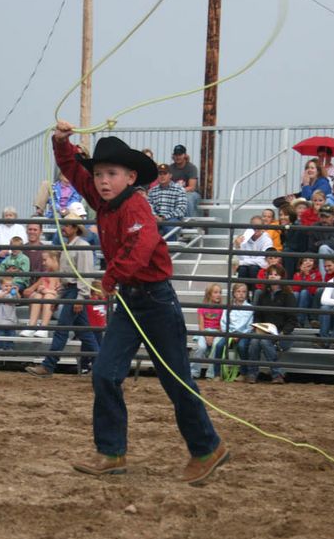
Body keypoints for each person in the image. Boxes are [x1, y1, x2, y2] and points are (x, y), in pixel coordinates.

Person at [50, 121, 227, 484]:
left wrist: (109, 280)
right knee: (104, 373)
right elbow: (72, 168)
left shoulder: (137, 208)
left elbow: (142, 249)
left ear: (130, 177)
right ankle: (112, 452)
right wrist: (60, 142)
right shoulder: (104, 198)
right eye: (98, 173)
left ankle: (207, 448)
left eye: (110, 173)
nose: (101, 180)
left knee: (175, 380)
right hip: (132, 301)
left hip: (155, 301)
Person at [26, 213, 100, 367]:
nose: (63, 228)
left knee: (63, 328)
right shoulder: (72, 246)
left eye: (66, 225)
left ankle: (49, 365)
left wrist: (80, 297)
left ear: (74, 228)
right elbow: (69, 277)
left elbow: (85, 275)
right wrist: (60, 297)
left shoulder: (81, 247)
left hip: (75, 291)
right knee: (84, 332)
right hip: (71, 290)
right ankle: (101, 364)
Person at [249, 264, 297, 384]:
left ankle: (277, 374)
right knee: (255, 341)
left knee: (264, 341)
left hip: (283, 334)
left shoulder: (289, 296)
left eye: (276, 274)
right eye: (270, 274)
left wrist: (283, 332)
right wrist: (258, 327)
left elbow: (292, 319)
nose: (273, 277)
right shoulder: (262, 295)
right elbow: (258, 315)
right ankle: (252, 374)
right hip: (265, 332)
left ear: (281, 277)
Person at [213, 283, 253, 380]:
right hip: (229, 333)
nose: (241, 294)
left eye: (244, 292)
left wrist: (240, 334)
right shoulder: (229, 307)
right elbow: (223, 322)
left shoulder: (250, 308)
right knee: (219, 346)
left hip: (244, 334)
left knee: (242, 346)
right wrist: (230, 333)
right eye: (238, 291)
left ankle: (243, 373)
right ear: (234, 293)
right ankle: (217, 374)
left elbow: (250, 326)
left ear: (247, 294)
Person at [19, 250, 61, 338]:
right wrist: (40, 290)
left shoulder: (61, 274)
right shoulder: (46, 273)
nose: (43, 263)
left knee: (48, 296)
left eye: (45, 260)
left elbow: (60, 292)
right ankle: (31, 325)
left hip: (57, 303)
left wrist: (47, 291)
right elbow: (33, 289)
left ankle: (44, 327)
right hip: (45, 301)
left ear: (53, 259)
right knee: (37, 295)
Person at [191, 283, 223, 380]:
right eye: (215, 292)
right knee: (201, 347)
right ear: (209, 294)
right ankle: (194, 372)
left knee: (215, 347)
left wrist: (213, 336)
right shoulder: (202, 307)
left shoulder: (222, 308)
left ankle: (211, 374)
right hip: (204, 332)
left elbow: (222, 327)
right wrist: (206, 336)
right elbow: (201, 325)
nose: (218, 295)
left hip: (217, 332)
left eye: (220, 293)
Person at [233, 215, 273, 290]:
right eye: (253, 226)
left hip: (259, 268)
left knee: (253, 268)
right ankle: (243, 297)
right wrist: (238, 246)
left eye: (259, 226)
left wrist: (242, 263)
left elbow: (262, 261)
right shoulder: (244, 238)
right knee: (242, 269)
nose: (256, 228)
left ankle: (255, 297)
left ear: (263, 228)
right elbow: (241, 258)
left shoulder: (267, 240)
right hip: (246, 267)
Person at [148, 163, 187, 238]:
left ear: (170, 175)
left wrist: (163, 217)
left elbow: (181, 210)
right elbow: (148, 207)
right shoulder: (152, 191)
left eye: (165, 173)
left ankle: (170, 249)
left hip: (172, 219)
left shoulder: (179, 190)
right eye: (160, 173)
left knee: (169, 227)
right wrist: (155, 216)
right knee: (145, 228)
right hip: (155, 219)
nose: (162, 176)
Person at [307, 204, 334, 274]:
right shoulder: (315, 226)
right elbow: (311, 247)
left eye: (326, 217)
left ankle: (323, 282)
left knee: (323, 248)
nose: (324, 220)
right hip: (319, 257)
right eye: (322, 217)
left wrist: (319, 243)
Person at [169, 144, 201, 218]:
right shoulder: (170, 168)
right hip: (176, 193)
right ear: (173, 156)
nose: (178, 157)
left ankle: (189, 224)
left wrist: (178, 191)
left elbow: (192, 187)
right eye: (176, 155)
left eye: (180, 154)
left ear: (185, 155)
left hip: (191, 193)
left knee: (187, 198)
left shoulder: (191, 168)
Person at [292, 257, 322, 328]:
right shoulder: (297, 274)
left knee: (304, 292)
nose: (308, 262)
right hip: (299, 299)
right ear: (301, 264)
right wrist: (301, 275)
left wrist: (307, 274)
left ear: (314, 263)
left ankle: (300, 321)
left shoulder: (317, 274)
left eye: (311, 260)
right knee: (295, 294)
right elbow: (296, 289)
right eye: (305, 260)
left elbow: (313, 290)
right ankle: (293, 319)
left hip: (312, 301)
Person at [0, 276, 18, 350]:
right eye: (6, 286)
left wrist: (16, 292)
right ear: (1, 286)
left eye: (10, 286)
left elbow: (18, 300)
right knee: (0, 335)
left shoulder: (12, 295)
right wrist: (6, 292)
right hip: (0, 320)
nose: (8, 287)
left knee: (11, 335)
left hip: (11, 320)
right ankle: (0, 348)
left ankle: (10, 348)